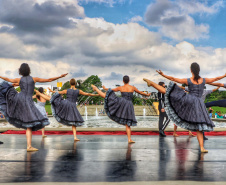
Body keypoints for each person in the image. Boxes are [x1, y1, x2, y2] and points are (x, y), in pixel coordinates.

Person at [143, 62, 226, 153]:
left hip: (189, 100)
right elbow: (216, 78)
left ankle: (152, 83)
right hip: (198, 103)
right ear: (199, 70)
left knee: (169, 92)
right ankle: (202, 147)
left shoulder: (188, 80)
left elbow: (174, 79)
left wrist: (163, 75)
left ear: (191, 70)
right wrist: (224, 75)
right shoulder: (204, 80)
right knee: (199, 126)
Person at [0, 63, 67, 151]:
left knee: (28, 124)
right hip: (28, 101)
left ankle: (29, 146)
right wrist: (60, 76)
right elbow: (49, 79)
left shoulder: (19, 79)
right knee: (29, 124)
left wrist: (1, 76)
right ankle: (29, 146)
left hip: (20, 99)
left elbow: (8, 79)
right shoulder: (34, 79)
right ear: (29, 70)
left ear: (20, 71)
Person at [91, 75, 151, 143]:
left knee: (107, 96)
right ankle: (129, 139)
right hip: (129, 105)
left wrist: (105, 88)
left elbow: (111, 90)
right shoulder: (133, 87)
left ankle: (96, 89)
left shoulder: (121, 87)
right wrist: (147, 95)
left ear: (123, 81)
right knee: (128, 123)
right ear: (129, 81)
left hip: (122, 102)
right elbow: (141, 92)